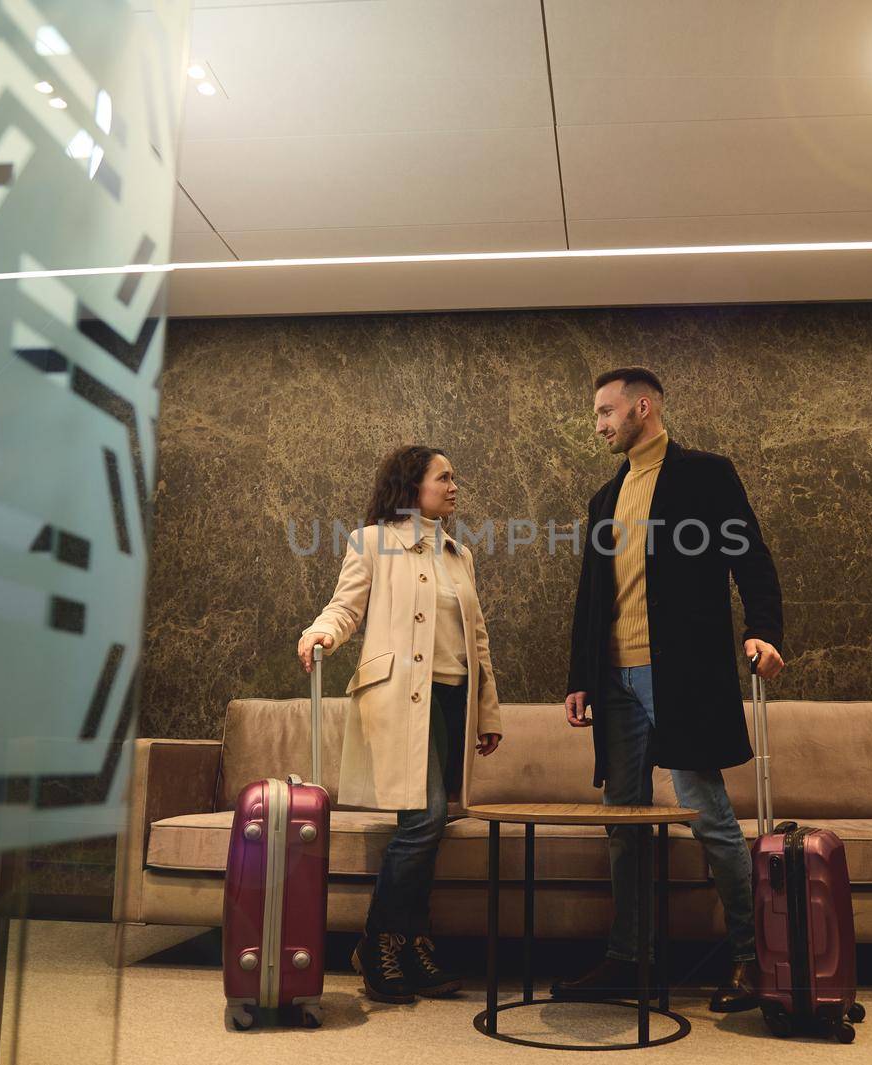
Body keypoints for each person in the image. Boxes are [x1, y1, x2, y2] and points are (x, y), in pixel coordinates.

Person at [552, 366, 786, 1012]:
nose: (598, 424)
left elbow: (752, 557)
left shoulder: (706, 474)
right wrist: (579, 677)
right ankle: (628, 959)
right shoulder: (606, 498)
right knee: (623, 824)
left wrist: (765, 629)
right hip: (616, 683)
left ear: (643, 408)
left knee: (707, 813)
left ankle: (754, 957)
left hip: (681, 676)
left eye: (606, 411)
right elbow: (591, 596)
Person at [297, 445, 503, 1004]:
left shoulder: (459, 554)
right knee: (425, 818)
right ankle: (381, 941)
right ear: (414, 485)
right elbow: (346, 607)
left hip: (451, 700)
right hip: (398, 701)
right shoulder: (372, 541)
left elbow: (476, 638)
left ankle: (409, 943)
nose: (455, 486)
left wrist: (487, 710)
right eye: (445, 478)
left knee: (429, 823)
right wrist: (321, 633)